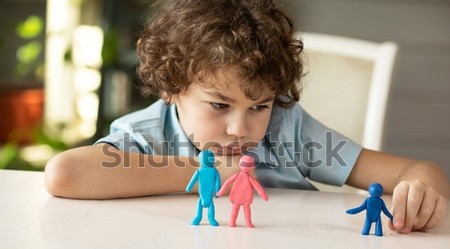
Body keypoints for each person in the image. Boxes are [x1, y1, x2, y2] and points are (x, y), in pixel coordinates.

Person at [44, 0, 449, 234]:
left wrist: (421, 195)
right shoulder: (147, 135)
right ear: (171, 87)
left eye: (259, 106)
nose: (241, 128)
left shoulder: (288, 131)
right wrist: (207, 172)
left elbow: (417, 169)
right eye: (219, 105)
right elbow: (65, 174)